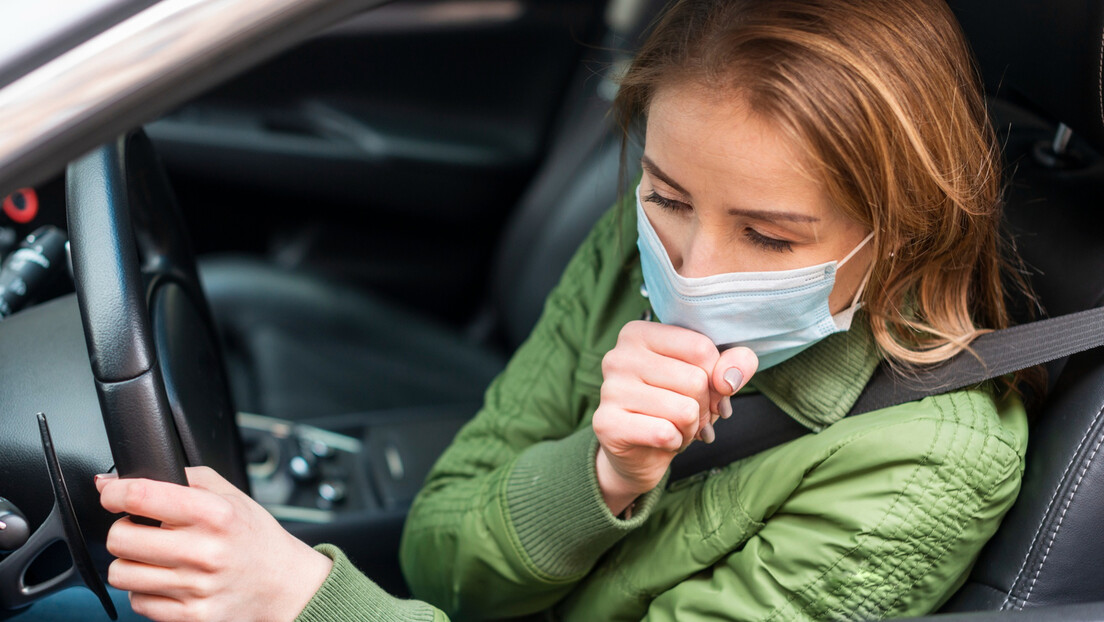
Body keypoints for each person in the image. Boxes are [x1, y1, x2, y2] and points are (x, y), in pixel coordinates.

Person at [94, 0, 1034, 620]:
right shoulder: (634, 258)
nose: (693, 271)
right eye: (667, 197)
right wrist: (601, 477)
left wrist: (305, 600)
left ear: (906, 229)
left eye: (772, 238)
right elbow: (437, 553)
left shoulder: (928, 461)